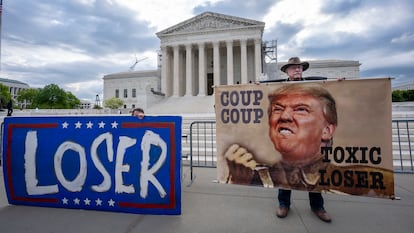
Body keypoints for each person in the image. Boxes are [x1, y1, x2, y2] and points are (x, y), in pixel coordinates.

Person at [224, 57, 335, 223]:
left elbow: (331, 87)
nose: (297, 70)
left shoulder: (314, 84)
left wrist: (340, 83)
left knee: (315, 173)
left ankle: (317, 206)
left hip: (311, 141)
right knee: (285, 172)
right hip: (290, 141)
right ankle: (284, 204)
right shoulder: (279, 85)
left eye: (299, 67)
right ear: (287, 72)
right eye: (293, 68)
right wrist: (255, 86)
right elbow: (265, 89)